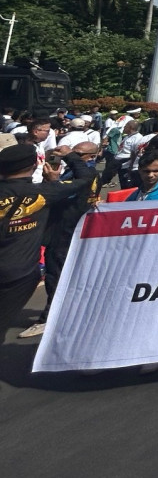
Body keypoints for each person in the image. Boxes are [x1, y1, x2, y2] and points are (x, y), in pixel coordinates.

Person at [0, 143, 96, 343]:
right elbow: (85, 179)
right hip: (20, 275)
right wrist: (70, 156)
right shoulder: (45, 192)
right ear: (35, 164)